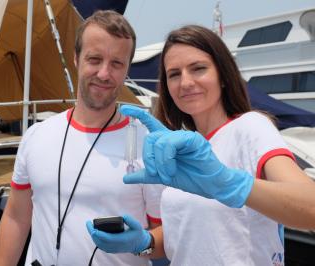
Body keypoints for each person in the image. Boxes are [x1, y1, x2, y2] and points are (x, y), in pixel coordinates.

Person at [86, 25, 315, 265]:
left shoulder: (251, 127)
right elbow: (183, 235)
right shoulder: (182, 146)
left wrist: (230, 184)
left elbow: (310, 207)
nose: (185, 82)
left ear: (223, 76)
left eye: (198, 69)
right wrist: (144, 243)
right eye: (174, 74)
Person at [0, 10, 163, 266]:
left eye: (117, 63)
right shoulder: (36, 136)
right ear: (76, 59)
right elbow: (17, 216)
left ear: (127, 68)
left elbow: (167, 236)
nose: (104, 74)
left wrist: (142, 245)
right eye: (94, 59)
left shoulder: (149, 144)